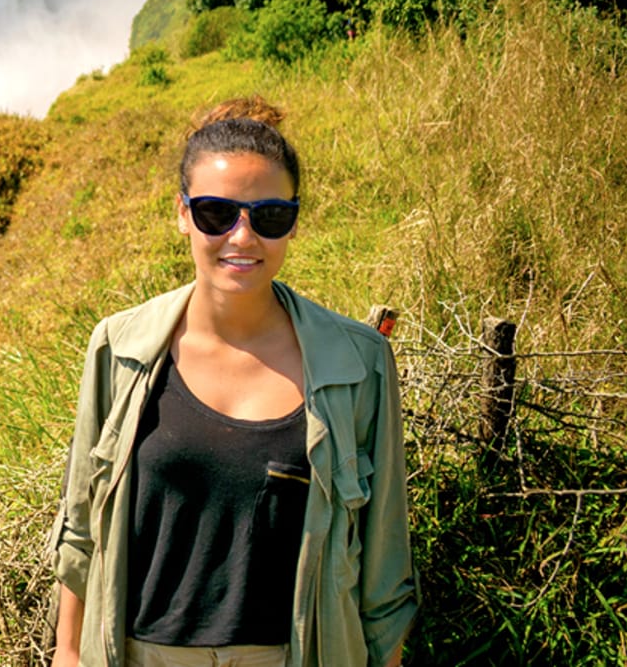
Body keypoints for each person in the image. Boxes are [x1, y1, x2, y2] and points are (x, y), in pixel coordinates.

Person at [48, 97, 417, 667]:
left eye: (269, 216)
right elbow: (81, 529)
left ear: (295, 219)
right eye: (217, 213)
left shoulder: (357, 363)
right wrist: (68, 655)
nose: (242, 238)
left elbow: (384, 564)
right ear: (182, 213)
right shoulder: (119, 348)